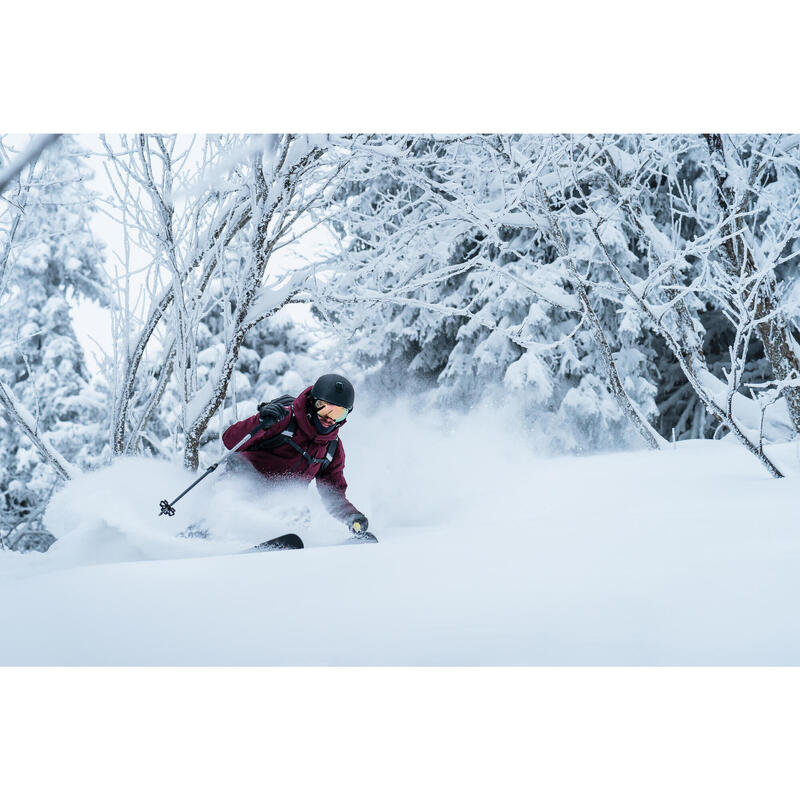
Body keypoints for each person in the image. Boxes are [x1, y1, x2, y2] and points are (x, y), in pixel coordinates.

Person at [221, 373, 370, 538]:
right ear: (313, 403)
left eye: (338, 414)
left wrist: (351, 516)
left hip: (281, 501)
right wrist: (260, 421)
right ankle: (212, 531)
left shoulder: (332, 448)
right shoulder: (282, 419)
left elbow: (332, 493)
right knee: (237, 504)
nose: (329, 419)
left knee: (298, 514)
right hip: (244, 482)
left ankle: (279, 548)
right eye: (325, 409)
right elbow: (230, 439)